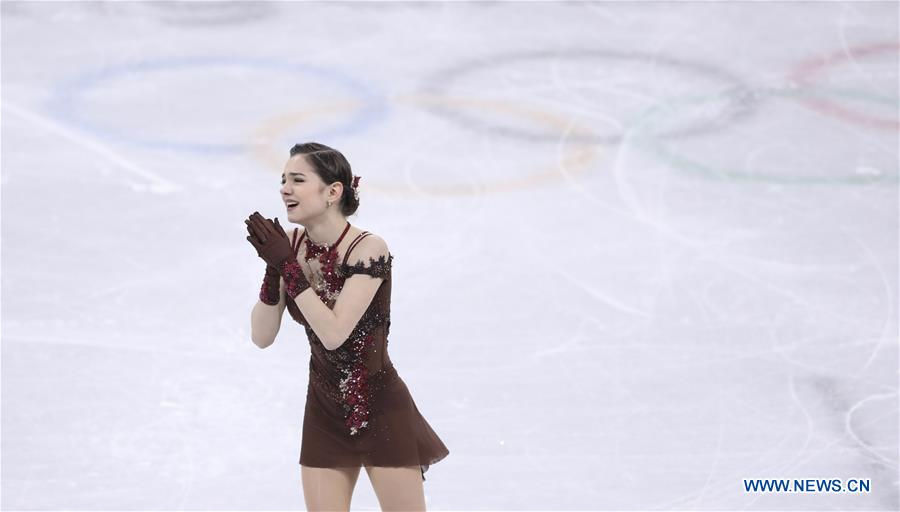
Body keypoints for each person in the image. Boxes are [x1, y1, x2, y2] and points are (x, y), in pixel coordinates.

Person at [245, 142, 449, 512]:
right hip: (324, 411)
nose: (285, 189)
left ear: (333, 191)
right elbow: (261, 336)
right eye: (283, 180)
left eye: (297, 180)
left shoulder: (368, 248)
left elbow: (334, 333)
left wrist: (288, 267)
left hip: (380, 409)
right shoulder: (290, 245)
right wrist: (274, 270)